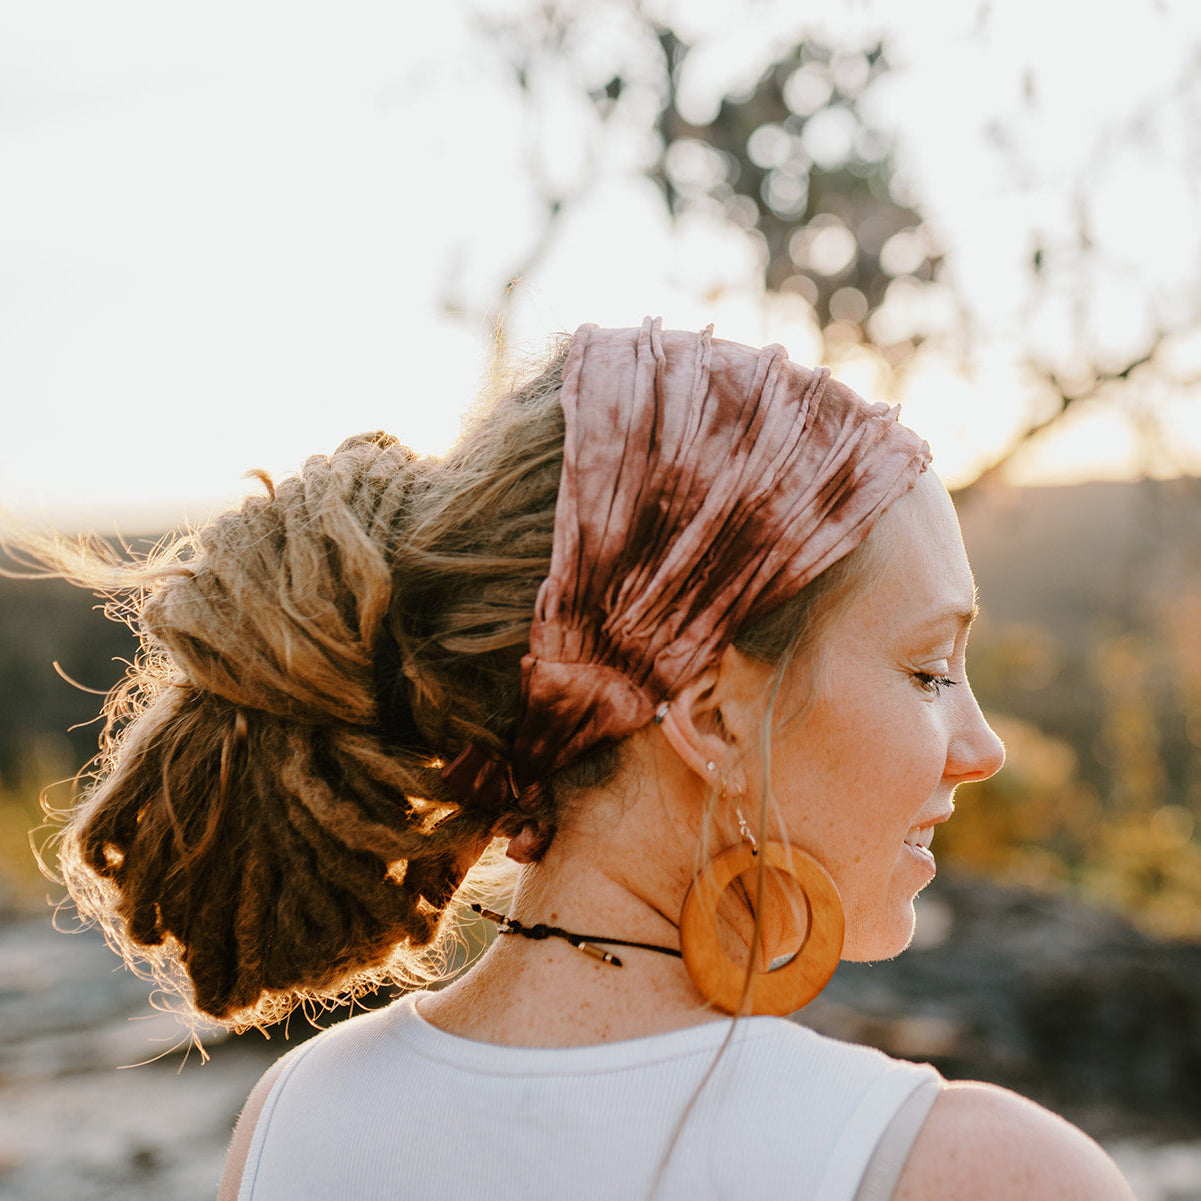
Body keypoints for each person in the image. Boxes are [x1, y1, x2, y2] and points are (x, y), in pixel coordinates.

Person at [39, 319, 1133, 1201]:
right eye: (929, 669)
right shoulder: (973, 1171)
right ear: (707, 713)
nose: (981, 749)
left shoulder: (296, 1125)